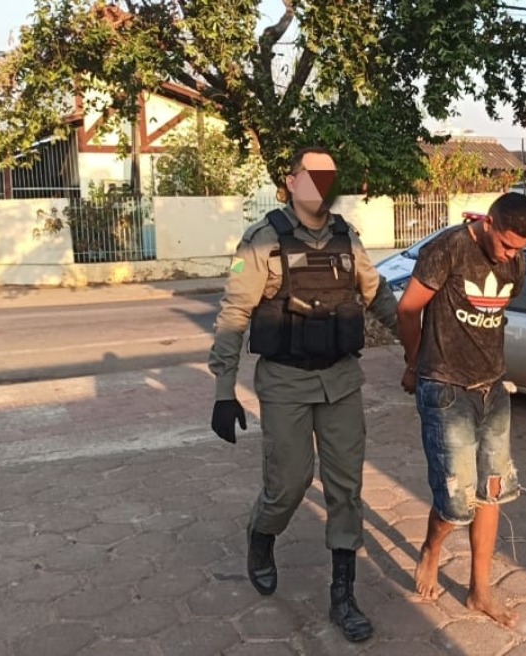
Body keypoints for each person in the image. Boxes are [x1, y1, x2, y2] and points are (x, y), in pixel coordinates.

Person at [208, 147, 397, 643]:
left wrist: (418, 345)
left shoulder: (346, 237)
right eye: (310, 175)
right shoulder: (261, 240)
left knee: (346, 489)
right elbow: (233, 317)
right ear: (290, 182)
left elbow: (378, 295)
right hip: (286, 383)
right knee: (289, 483)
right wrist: (224, 390)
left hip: (341, 381)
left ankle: (343, 594)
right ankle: (261, 535)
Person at [395, 191, 526, 627]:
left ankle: (479, 591)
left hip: (492, 389)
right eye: (507, 244)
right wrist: (414, 361)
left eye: (520, 249)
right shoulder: (450, 249)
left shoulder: (516, 260)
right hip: (445, 389)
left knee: (491, 491)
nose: (512, 255)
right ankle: (431, 549)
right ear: (489, 223)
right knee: (457, 502)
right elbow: (407, 308)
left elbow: (496, 312)